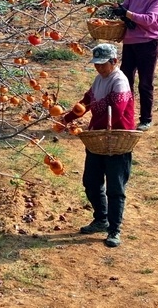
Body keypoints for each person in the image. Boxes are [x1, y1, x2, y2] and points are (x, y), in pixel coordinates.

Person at [61, 43, 135, 247]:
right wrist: (66, 119)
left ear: (114, 62)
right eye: (97, 65)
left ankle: (114, 229)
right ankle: (101, 219)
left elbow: (117, 111)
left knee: (115, 187)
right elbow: (85, 102)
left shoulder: (119, 80)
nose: (99, 68)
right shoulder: (98, 79)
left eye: (103, 64)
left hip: (117, 140)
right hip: (98, 139)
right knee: (91, 182)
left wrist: (92, 125)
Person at [111, 0, 158, 131]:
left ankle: (146, 119)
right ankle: (126, 116)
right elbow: (125, 10)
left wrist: (126, 13)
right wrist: (119, 11)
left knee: (145, 83)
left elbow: (149, 20)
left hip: (148, 44)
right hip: (130, 42)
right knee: (125, 81)